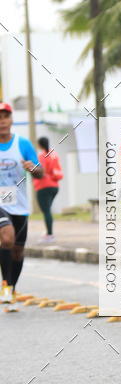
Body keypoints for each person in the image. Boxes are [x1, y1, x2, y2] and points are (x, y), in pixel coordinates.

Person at [0, 102, 43, 311]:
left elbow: (40, 172)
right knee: (7, 238)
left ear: (11, 120)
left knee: (17, 251)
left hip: (19, 203)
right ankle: (6, 287)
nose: (2, 121)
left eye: (5, 116)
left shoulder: (23, 144)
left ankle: (12, 288)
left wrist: (32, 168)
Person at [33, 136, 63, 242]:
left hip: (43, 186)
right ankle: (48, 232)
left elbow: (40, 171)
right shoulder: (54, 154)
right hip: (54, 186)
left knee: (46, 211)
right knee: (48, 210)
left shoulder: (41, 156)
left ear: (39, 145)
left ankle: (50, 235)